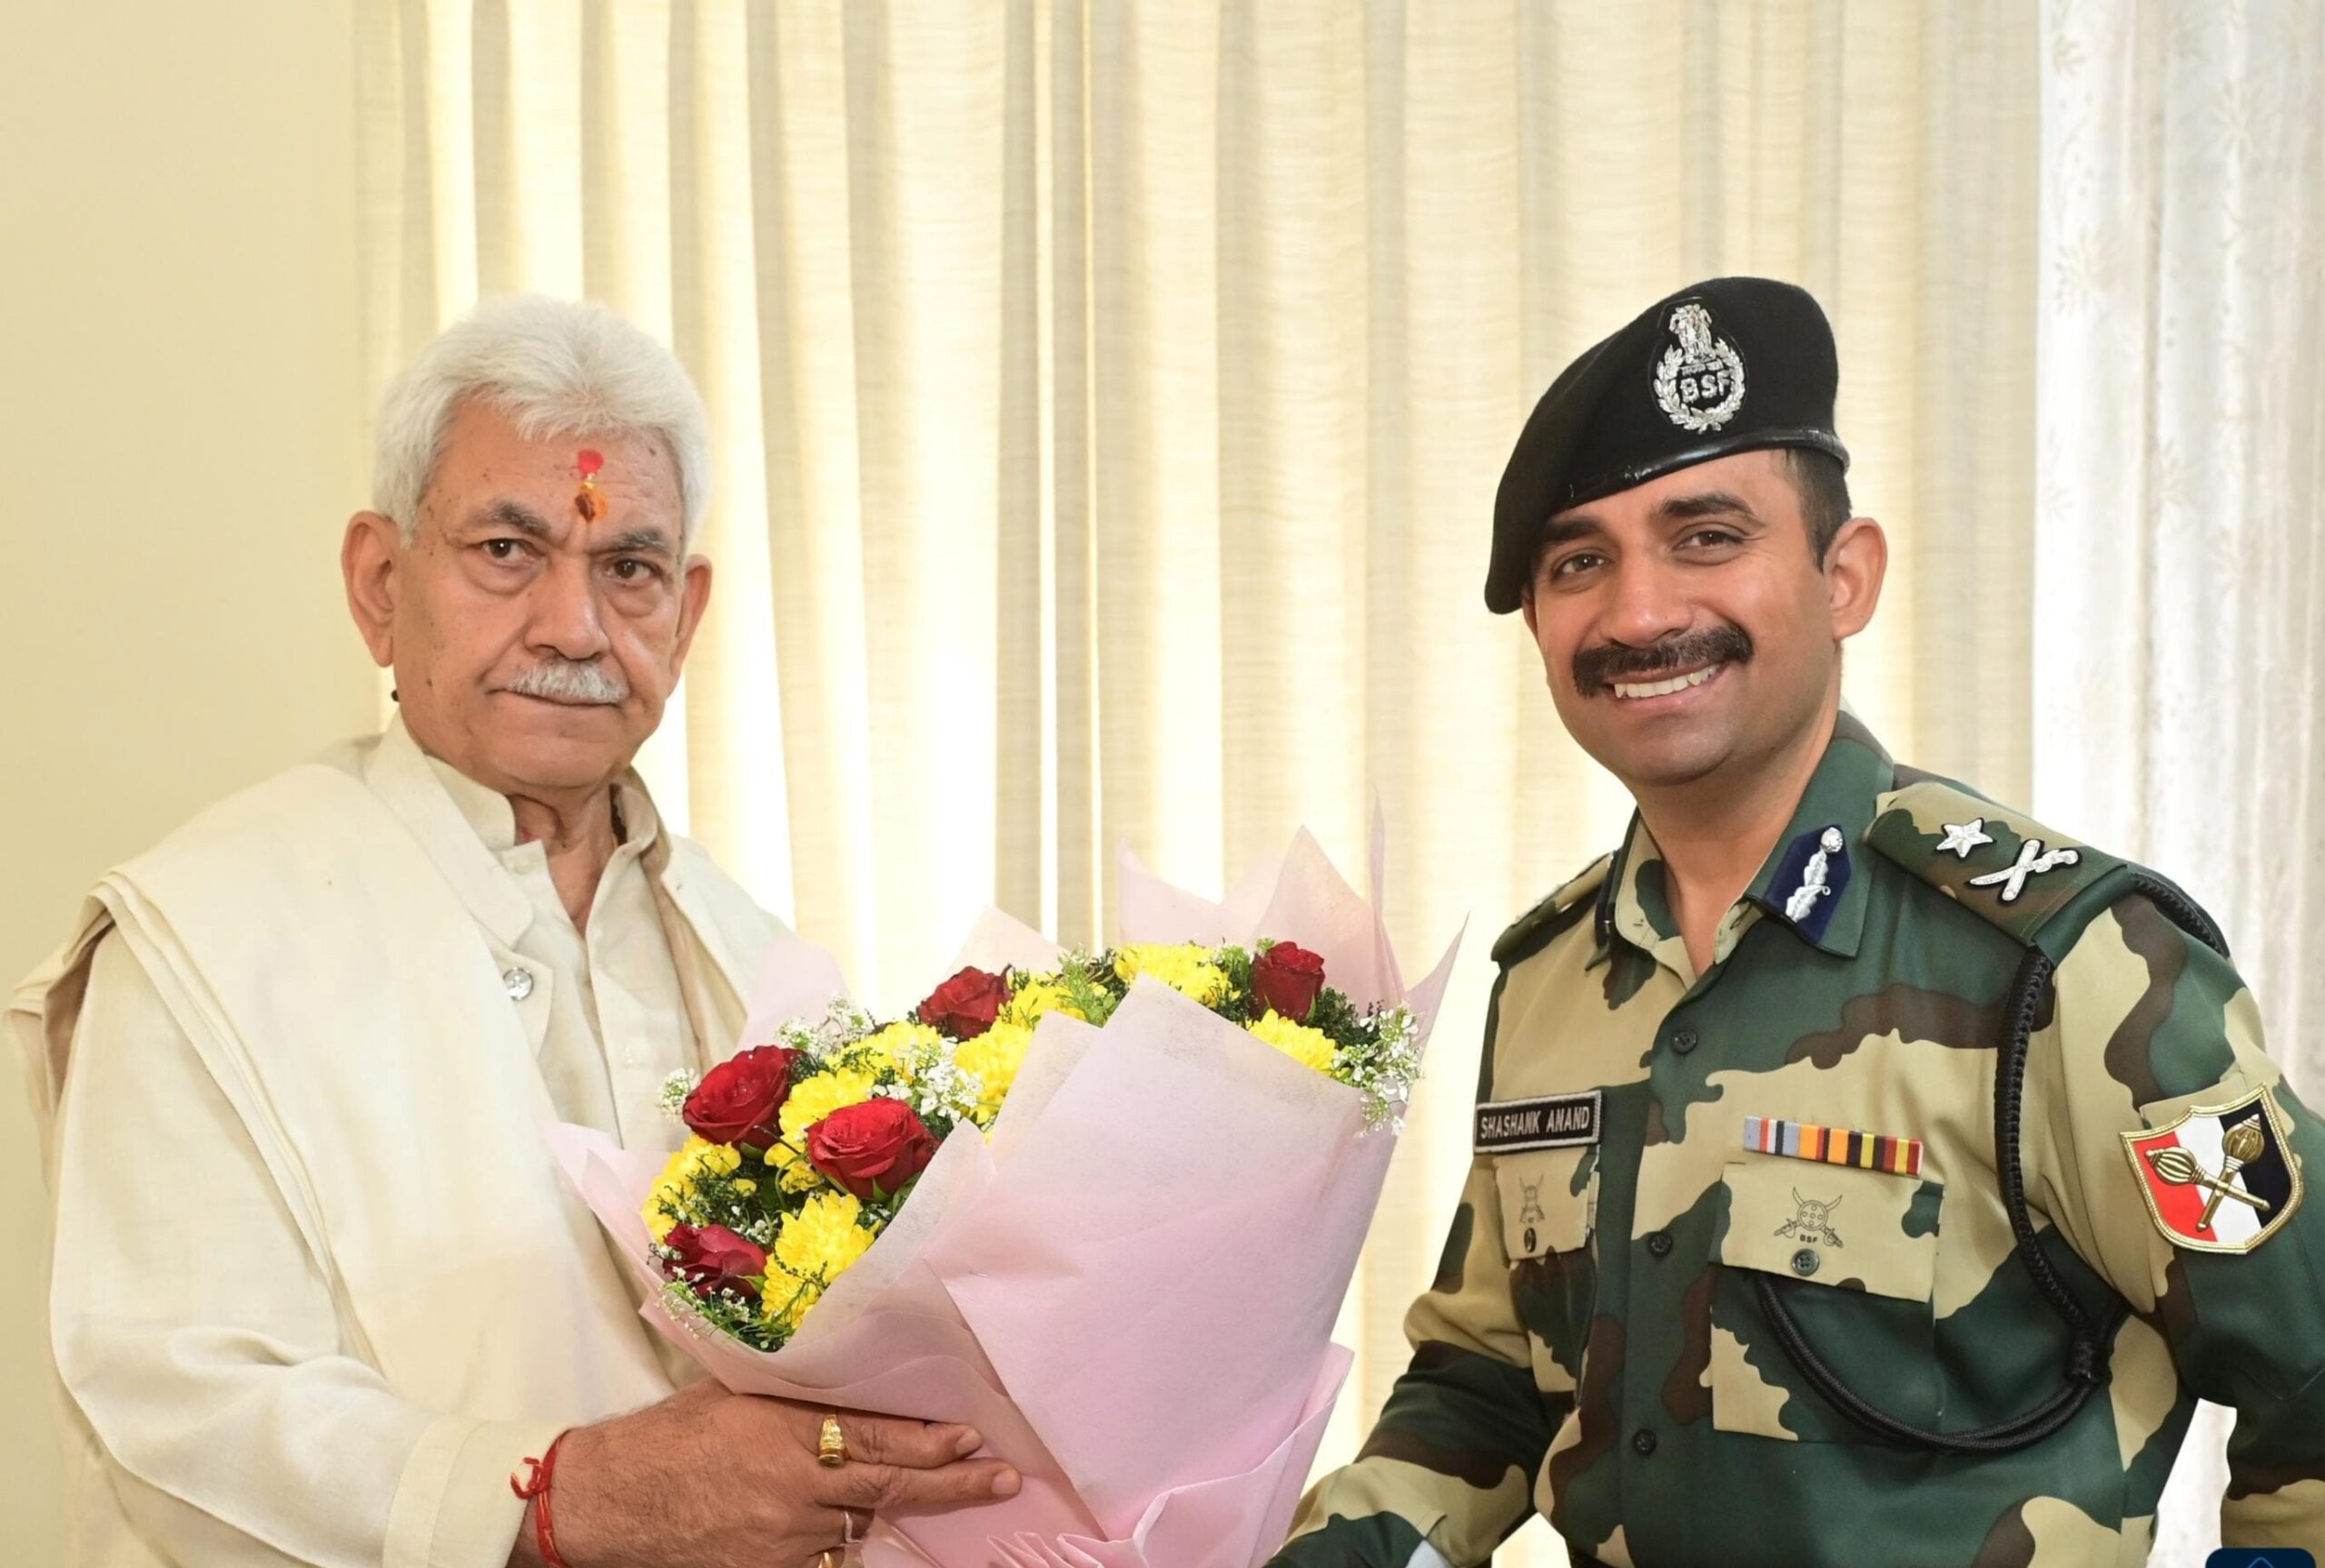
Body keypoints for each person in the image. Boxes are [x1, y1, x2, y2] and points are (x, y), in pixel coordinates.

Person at [1267, 277, 2325, 1565]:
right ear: (1539, 622)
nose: (1640, 613)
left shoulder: (2067, 967)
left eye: (1707, 537)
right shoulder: (1547, 983)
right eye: (1581, 563)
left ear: (1844, 577)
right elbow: (1487, 1388)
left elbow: (2314, 1368)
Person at [9, 296, 1017, 1568]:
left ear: (686, 614)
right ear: (380, 585)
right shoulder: (207, 939)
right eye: (505, 549)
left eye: (629, 568)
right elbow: (179, 1406)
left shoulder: (757, 958)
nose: (574, 628)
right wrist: (568, 1498)